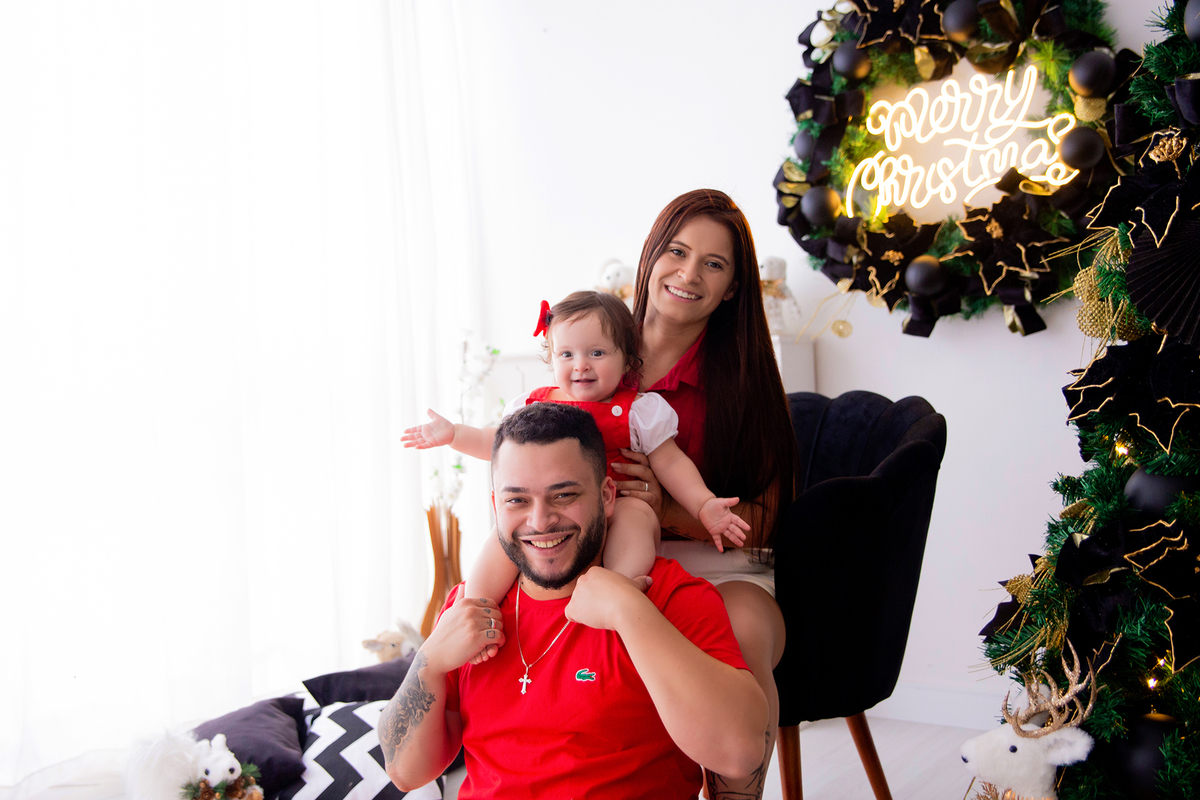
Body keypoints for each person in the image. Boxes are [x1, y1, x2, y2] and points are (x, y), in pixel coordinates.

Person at [381, 402, 769, 798]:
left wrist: (627, 610)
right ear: (496, 505)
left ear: (607, 496)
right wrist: (428, 662)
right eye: (517, 500)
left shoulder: (669, 597)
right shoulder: (469, 608)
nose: (540, 521)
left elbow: (739, 753)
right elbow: (404, 773)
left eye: (564, 495)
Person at [401, 290, 749, 660]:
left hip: (619, 502)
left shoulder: (639, 411)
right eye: (566, 354)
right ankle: (474, 612)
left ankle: (617, 590)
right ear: (551, 358)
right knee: (501, 537)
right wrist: (454, 434)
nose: (580, 365)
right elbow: (497, 444)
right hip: (557, 509)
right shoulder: (533, 405)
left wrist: (704, 505)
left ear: (627, 359)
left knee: (638, 516)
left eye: (596, 353)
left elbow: (672, 464)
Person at [608, 189, 798, 799]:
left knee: (736, 631)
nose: (689, 274)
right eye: (678, 252)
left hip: (726, 568)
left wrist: (668, 509)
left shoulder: (745, 383)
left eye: (713, 264)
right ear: (651, 255)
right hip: (618, 567)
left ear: (733, 288)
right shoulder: (591, 355)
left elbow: (767, 520)